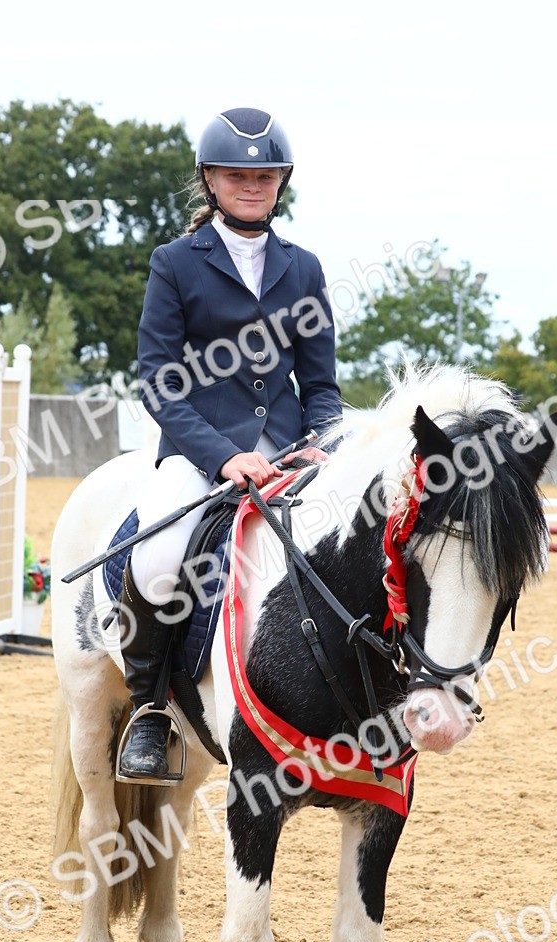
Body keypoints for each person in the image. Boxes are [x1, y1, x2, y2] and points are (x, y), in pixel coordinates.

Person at [119, 107, 343, 780]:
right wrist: (221, 454)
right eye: (237, 174)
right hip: (197, 453)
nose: (252, 184)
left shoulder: (303, 268)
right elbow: (158, 380)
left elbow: (321, 382)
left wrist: (321, 443)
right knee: (159, 561)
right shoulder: (175, 263)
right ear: (210, 180)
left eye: (265, 175)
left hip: (289, 456)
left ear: (282, 183)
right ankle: (148, 712)